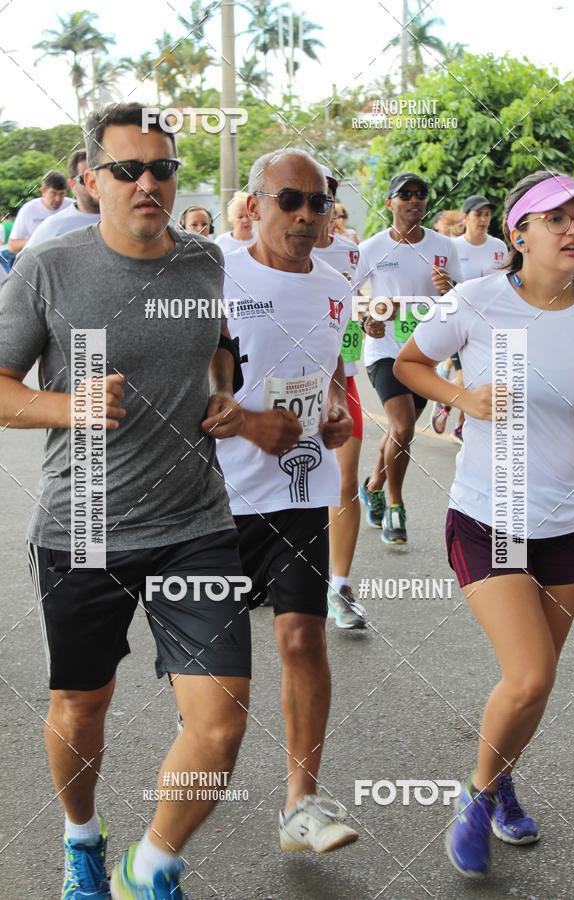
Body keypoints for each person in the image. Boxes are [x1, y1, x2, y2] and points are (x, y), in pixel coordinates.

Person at [0, 101, 251, 900]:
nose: (149, 183)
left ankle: (151, 864)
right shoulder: (49, 269)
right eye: (127, 169)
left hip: (196, 523)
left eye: (163, 168)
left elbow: (217, 341)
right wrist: (65, 405)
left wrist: (221, 393)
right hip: (85, 524)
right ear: (88, 180)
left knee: (220, 723)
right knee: (81, 708)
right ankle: (83, 841)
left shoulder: (206, 258)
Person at [395, 170, 574, 879]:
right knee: (531, 670)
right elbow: (409, 362)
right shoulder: (477, 300)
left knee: (535, 685)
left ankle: (501, 778)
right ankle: (478, 797)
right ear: (520, 234)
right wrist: (462, 396)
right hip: (491, 513)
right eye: (557, 219)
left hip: (569, 517)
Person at [216, 147, 359, 852]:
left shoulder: (339, 285)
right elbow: (169, 386)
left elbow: (337, 371)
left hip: (299, 491)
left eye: (317, 204)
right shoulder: (211, 274)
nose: (305, 216)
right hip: (211, 501)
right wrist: (245, 422)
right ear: (255, 205)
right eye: (289, 201)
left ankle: (301, 801)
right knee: (217, 686)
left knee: (302, 637)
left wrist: (334, 411)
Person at [355, 172, 462, 545]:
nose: (414, 200)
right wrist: (368, 320)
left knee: (398, 433)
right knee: (401, 428)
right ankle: (395, 509)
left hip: (424, 355)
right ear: (390, 203)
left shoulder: (444, 246)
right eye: (405, 195)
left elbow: (460, 297)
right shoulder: (371, 248)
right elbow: (352, 295)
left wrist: (449, 288)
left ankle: (373, 484)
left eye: (421, 194)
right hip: (384, 352)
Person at [311, 165, 366, 630]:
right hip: (274, 382)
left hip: (338, 377)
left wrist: (370, 320)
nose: (316, 206)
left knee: (344, 483)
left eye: (326, 197)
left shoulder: (351, 253)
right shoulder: (254, 252)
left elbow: (360, 306)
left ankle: (339, 586)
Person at [432, 196, 508, 440]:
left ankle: (460, 427)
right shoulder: (452, 247)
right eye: (478, 214)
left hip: (490, 324)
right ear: (465, 218)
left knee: (481, 379)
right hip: (459, 323)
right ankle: (445, 402)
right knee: (465, 377)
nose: (484, 219)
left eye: (487, 214)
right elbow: (443, 288)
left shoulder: (498, 247)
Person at [26, 150, 100, 247]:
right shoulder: (52, 227)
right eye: (84, 180)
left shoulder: (122, 218)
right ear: (72, 185)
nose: (95, 185)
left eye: (99, 177)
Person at [7, 170, 72, 253]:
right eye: (53, 193)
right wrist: (39, 240)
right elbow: (12, 246)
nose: (58, 199)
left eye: (62, 194)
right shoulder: (28, 209)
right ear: (43, 191)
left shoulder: (72, 205)